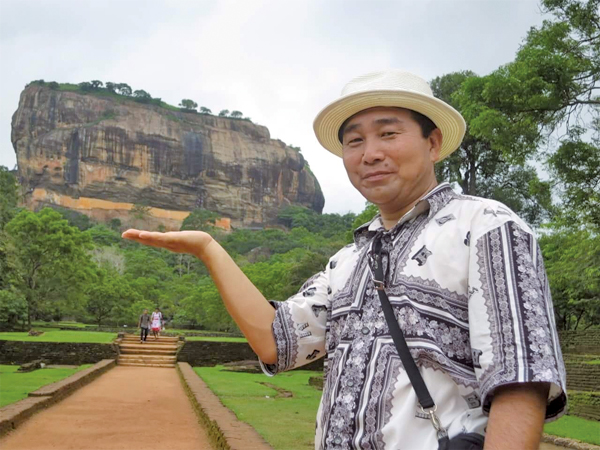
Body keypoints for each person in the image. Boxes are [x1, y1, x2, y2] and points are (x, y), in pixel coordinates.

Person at [122, 70, 566, 450]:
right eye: (354, 141)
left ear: (433, 142)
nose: (369, 153)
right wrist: (209, 249)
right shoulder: (349, 261)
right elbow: (279, 344)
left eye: (388, 134)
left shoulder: (486, 225)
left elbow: (520, 380)